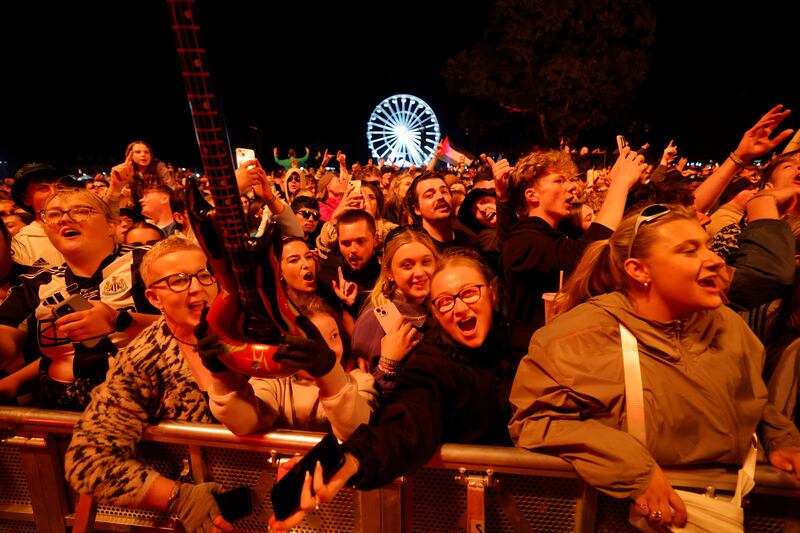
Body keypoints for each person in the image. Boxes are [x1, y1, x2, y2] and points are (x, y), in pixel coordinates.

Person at [507, 204, 800, 529]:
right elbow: (536, 420)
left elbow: (746, 395)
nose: (716, 260)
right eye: (689, 251)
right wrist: (633, 469)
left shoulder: (728, 324)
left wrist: (779, 437)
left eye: (706, 245)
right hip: (620, 518)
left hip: (733, 511)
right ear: (639, 270)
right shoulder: (579, 336)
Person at [269, 253, 519, 531]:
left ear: (492, 293)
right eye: (445, 301)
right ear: (435, 312)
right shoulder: (430, 364)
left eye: (470, 293)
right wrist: (351, 461)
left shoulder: (520, 343)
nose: (459, 309)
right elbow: (404, 425)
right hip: (455, 512)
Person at [64, 236, 234, 532]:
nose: (196, 287)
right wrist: (180, 498)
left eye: (204, 275)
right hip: (216, 517)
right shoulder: (144, 359)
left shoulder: (252, 329)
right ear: (154, 298)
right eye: (179, 281)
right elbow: (89, 463)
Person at [0, 188, 158, 408]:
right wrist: (13, 379)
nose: (65, 219)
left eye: (81, 211)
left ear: (111, 226)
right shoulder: (35, 283)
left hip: (143, 408)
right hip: (59, 414)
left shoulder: (149, 262)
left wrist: (120, 320)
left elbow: (197, 328)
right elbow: (5, 340)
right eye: (54, 214)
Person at [501, 147, 646, 355]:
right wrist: (619, 186)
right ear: (532, 195)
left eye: (569, 179)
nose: (572, 187)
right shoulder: (521, 241)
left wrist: (628, 190)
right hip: (537, 356)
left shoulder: (562, 231)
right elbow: (585, 254)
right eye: (559, 181)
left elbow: (612, 235)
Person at [200, 297, 377, 439]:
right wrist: (223, 376)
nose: (329, 349)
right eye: (313, 342)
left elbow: (357, 432)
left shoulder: (360, 380)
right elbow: (246, 423)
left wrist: (328, 370)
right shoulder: (274, 382)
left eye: (334, 336)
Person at [351, 227, 439, 393]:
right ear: (389, 272)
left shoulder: (442, 305)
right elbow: (369, 396)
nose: (419, 272)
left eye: (426, 262)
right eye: (407, 266)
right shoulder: (376, 319)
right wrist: (388, 365)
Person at [10, 163, 80, 267]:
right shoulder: (22, 244)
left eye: (59, 186)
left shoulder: (84, 227)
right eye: (42, 188)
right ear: (26, 199)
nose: (54, 192)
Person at [403, 171, 475, 251]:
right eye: (429, 195)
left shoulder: (469, 241)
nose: (440, 197)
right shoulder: (413, 248)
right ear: (417, 209)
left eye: (444, 191)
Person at [110, 141, 176, 204]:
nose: (143, 155)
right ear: (130, 155)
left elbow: (171, 189)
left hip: (156, 206)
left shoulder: (159, 167)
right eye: (138, 152)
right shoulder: (126, 170)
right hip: (133, 209)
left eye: (147, 152)